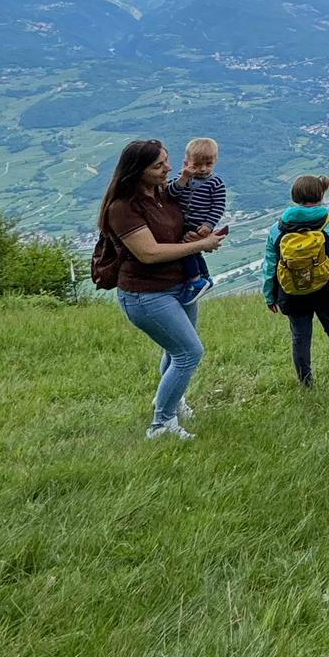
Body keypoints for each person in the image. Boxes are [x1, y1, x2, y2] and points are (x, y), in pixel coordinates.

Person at [98, 139, 228, 439]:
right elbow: (149, 253)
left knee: (176, 349)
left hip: (179, 285)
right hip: (146, 294)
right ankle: (162, 424)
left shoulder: (163, 193)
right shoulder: (124, 207)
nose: (169, 168)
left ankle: (171, 399)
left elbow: (182, 228)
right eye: (159, 165)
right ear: (137, 171)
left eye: (167, 161)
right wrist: (200, 245)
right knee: (189, 352)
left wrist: (197, 237)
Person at [263, 174, 329, 388]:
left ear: (294, 196)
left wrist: (270, 295)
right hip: (326, 290)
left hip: (292, 293)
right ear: (321, 194)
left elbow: (270, 265)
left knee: (300, 337)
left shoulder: (278, 228)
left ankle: (306, 384)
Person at [166, 137, 226, 305]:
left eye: (208, 164)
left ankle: (195, 280)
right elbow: (170, 193)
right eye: (197, 165)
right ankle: (205, 277)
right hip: (180, 222)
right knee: (194, 251)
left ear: (215, 161)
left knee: (186, 249)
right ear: (187, 163)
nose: (202, 169)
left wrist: (208, 225)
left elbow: (218, 206)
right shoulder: (182, 177)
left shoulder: (216, 182)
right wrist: (183, 179)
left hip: (198, 224)